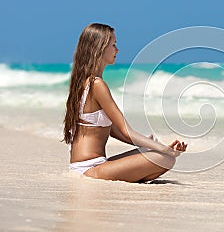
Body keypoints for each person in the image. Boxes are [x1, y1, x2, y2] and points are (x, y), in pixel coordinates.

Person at [63, 23, 187, 182]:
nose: (117, 50)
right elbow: (126, 129)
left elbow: (119, 133)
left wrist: (150, 144)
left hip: (93, 166)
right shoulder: (96, 84)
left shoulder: (85, 83)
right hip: (88, 169)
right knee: (165, 158)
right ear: (100, 48)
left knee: (155, 153)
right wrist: (164, 149)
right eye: (113, 44)